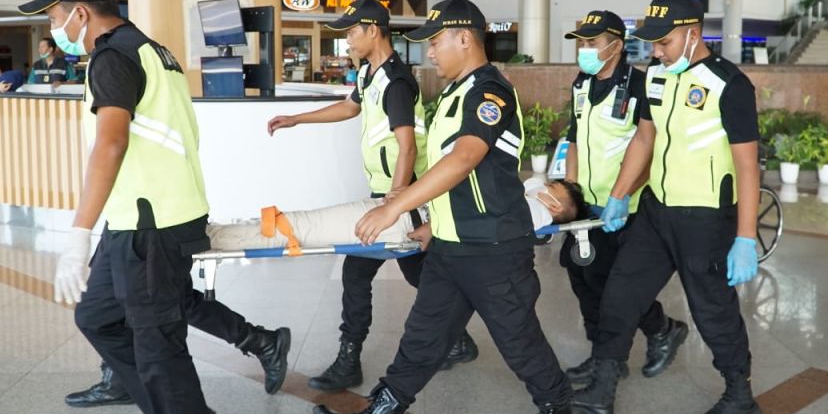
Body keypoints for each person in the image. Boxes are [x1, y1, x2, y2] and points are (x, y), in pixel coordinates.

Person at [19, 0, 290, 414]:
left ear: (78, 11)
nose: (51, 25)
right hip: (141, 219)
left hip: (151, 223)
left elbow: (111, 143)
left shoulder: (112, 57)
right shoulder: (148, 49)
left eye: (52, 14)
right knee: (97, 315)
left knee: (157, 342)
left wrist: (77, 234)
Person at [313, 0, 584, 414]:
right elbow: (457, 179)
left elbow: (464, 160)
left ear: (465, 38)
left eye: (436, 41)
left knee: (520, 343)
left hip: (495, 248)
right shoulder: (452, 96)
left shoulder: (490, 93)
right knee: (421, 338)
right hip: (453, 246)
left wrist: (395, 206)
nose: (430, 52)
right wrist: (434, 226)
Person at [572, 0, 762, 414]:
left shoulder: (729, 85)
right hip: (656, 211)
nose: (656, 52)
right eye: (653, 44)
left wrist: (745, 237)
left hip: (706, 217)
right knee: (620, 294)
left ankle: (739, 392)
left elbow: (747, 166)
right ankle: (602, 388)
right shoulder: (657, 77)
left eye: (665, 43)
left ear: (693, 35)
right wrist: (621, 194)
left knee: (712, 309)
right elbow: (644, 139)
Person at [268, 0, 478, 393]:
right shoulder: (369, 74)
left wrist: (393, 205)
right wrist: (297, 119)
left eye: (351, 32)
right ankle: (459, 339)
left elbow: (408, 147)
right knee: (421, 272)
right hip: (392, 196)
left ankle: (349, 360)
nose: (347, 41)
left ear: (373, 31)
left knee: (356, 269)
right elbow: (349, 108)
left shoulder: (396, 81)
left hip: (400, 197)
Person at [560, 10, 688, 405]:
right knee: (584, 280)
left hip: (626, 208)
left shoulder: (639, 84)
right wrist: (570, 192)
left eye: (592, 42)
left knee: (619, 290)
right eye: (581, 42)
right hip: (588, 206)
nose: (585, 50)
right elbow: (575, 140)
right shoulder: (581, 84)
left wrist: (620, 195)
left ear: (616, 44)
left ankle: (658, 332)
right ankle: (606, 356)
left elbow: (649, 148)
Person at [205, 177, 589, 251]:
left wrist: (431, 227)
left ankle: (213, 237)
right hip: (406, 210)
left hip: (408, 221)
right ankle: (218, 231)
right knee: (302, 222)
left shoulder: (539, 212)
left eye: (551, 188)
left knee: (300, 228)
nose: (542, 184)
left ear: (556, 205)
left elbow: (490, 214)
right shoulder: (532, 196)